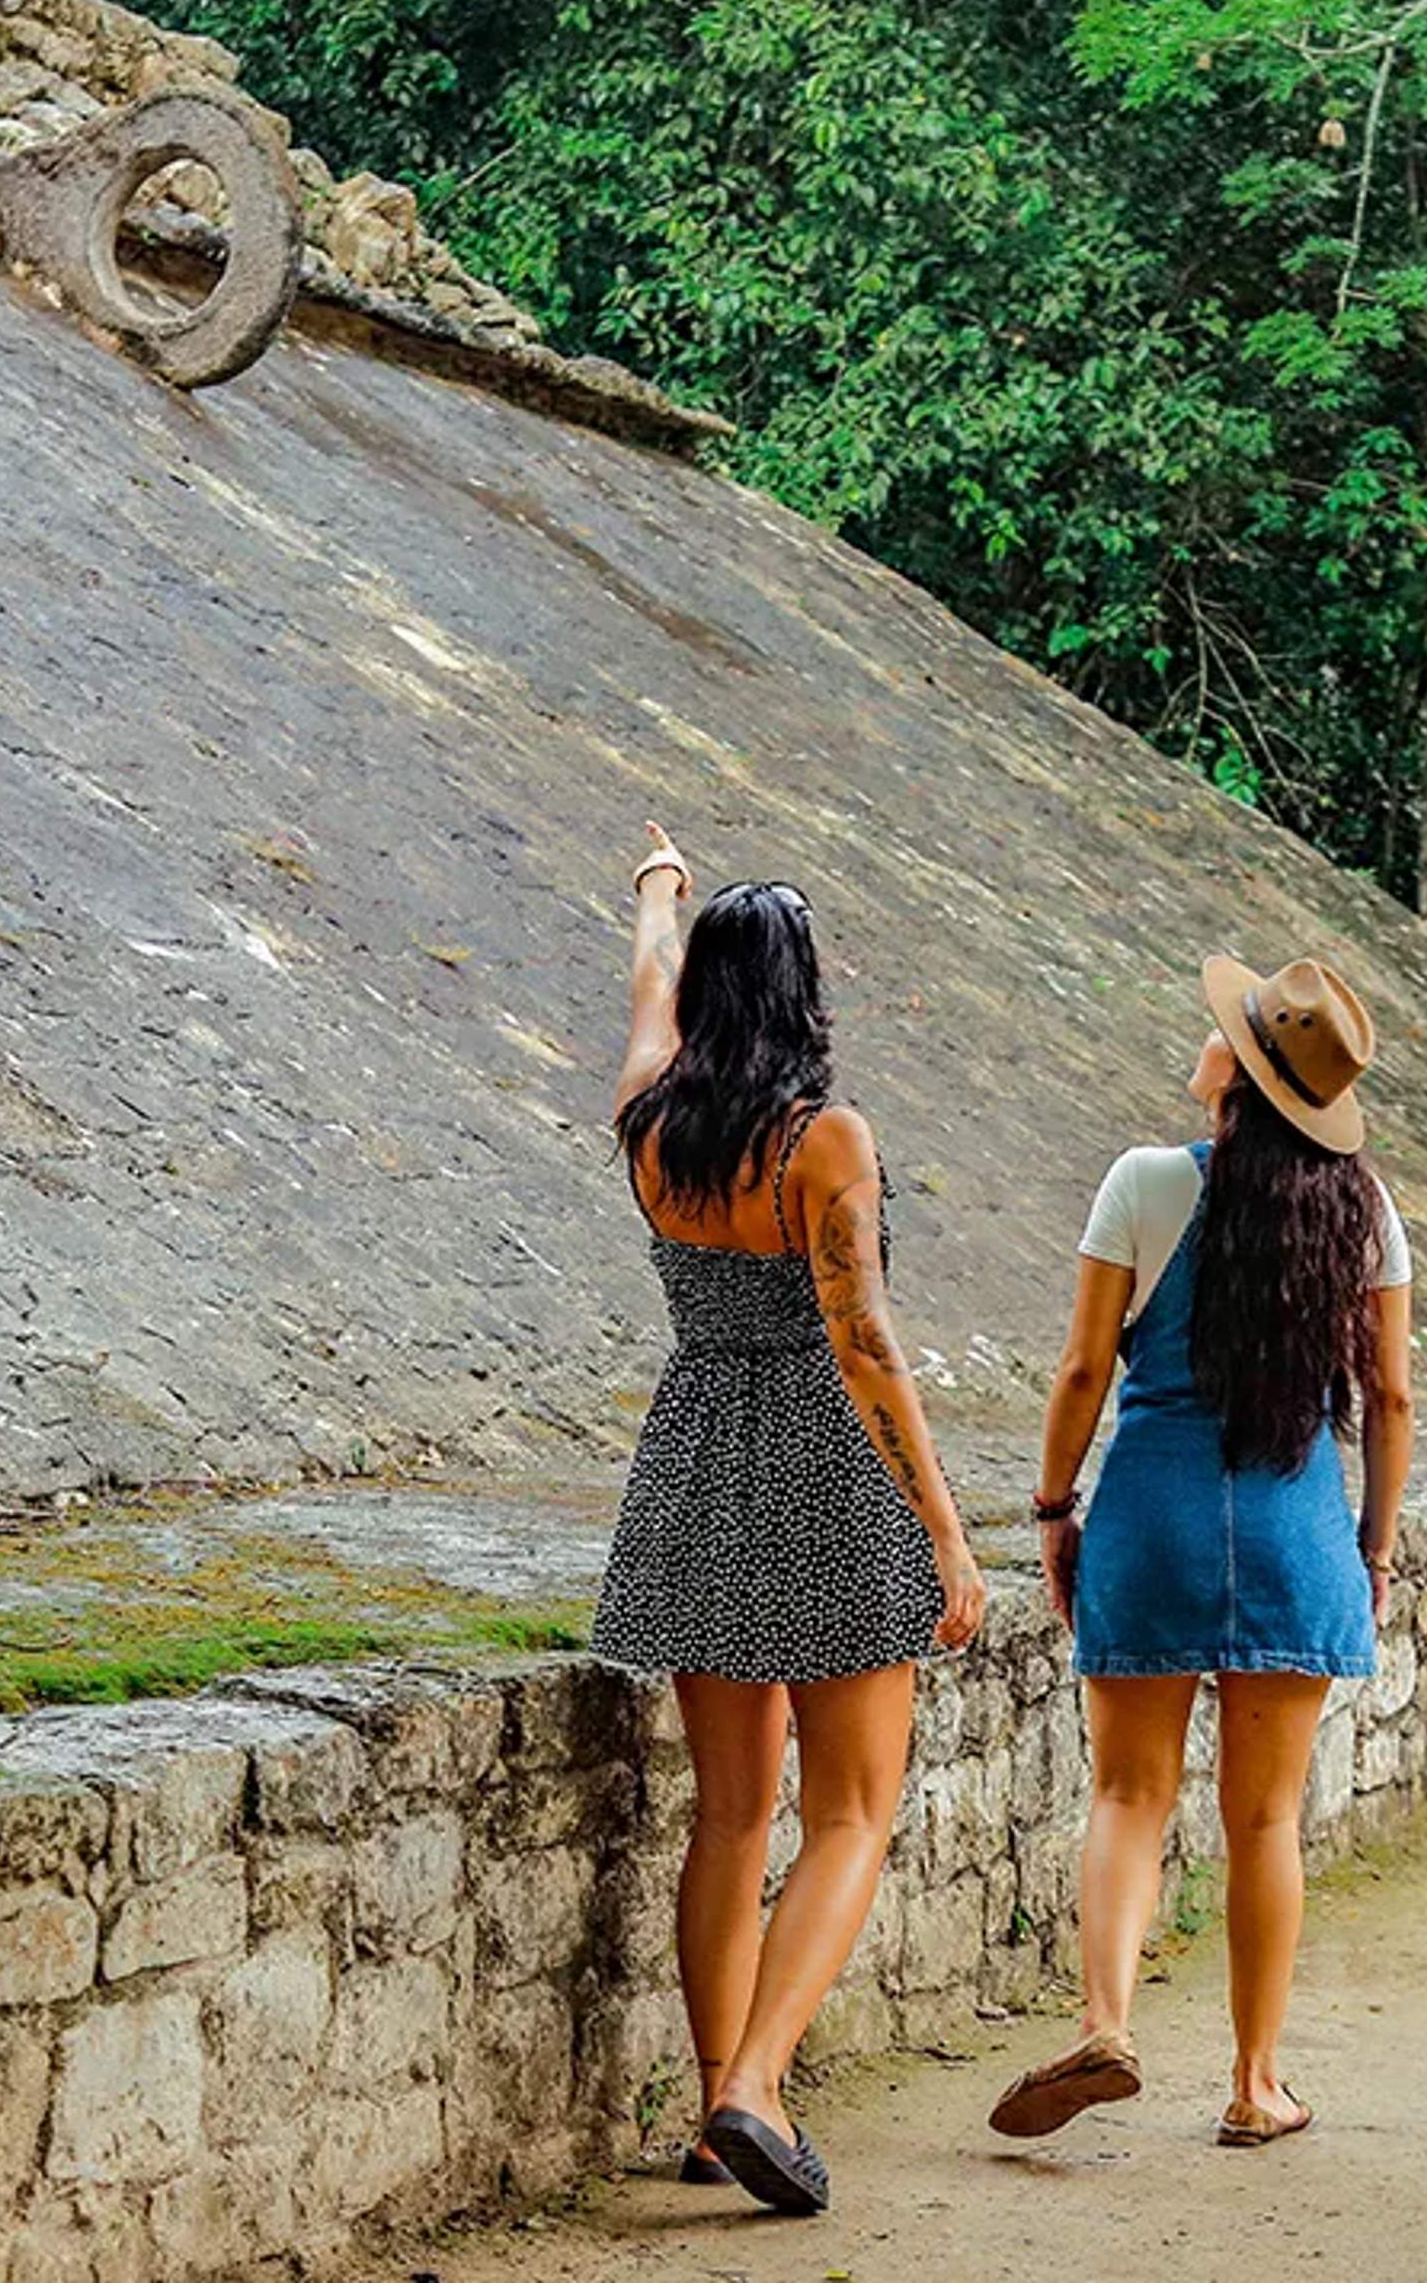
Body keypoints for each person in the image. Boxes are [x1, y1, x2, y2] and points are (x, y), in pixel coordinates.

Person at [590, 824, 989, 2216]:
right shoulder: (827, 1142)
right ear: (808, 994)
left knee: (732, 1816)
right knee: (855, 1810)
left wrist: (659, 890)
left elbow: (646, 983)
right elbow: (866, 1343)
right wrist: (943, 1527)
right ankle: (760, 2082)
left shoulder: (648, 1114)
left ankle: (714, 2106)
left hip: (696, 1451)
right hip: (824, 1460)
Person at [990, 955, 1416, 2150]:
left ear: (1246, 1077)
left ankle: (1108, 2023)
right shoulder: (1364, 1209)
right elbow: (1388, 1399)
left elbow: (1084, 1370)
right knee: (1266, 1823)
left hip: (1154, 1510)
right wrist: (1371, 1548)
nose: (1204, 1041)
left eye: (1222, 1035)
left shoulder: (1142, 1184)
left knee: (1128, 1792)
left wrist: (1052, 1508)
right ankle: (1255, 2083)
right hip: (1295, 1522)